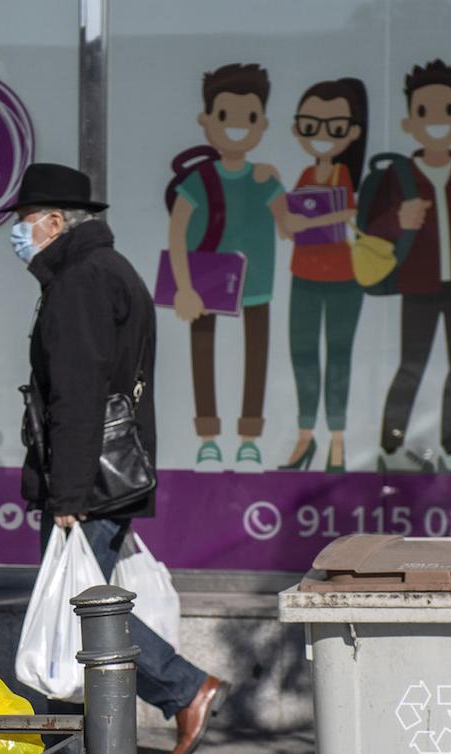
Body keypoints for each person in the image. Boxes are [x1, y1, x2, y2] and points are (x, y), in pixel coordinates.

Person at [9, 162, 228, 754]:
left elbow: (78, 396)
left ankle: (184, 689)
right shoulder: (103, 271)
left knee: (88, 609)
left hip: (90, 479)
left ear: (54, 222)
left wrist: (69, 494)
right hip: (109, 470)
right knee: (76, 601)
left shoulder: (80, 281)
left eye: (25, 222)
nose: (18, 235)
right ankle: (72, 741)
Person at [364, 59, 451, 474]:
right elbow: (371, 229)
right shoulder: (400, 175)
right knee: (412, 365)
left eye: (445, 111)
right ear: (408, 124)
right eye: (424, 112)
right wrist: (397, 219)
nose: (436, 121)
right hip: (418, 284)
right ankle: (391, 446)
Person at [165, 63, 293, 473]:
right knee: (203, 357)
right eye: (225, 117)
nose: (238, 127)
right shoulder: (199, 180)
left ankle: (249, 439)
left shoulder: (264, 179)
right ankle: (207, 439)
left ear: (263, 124)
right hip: (205, 283)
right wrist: (184, 287)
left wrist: (331, 210)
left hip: (256, 285)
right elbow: (177, 232)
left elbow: (289, 226)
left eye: (249, 118)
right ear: (206, 122)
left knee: (255, 359)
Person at [280, 77, 369, 474]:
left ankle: (337, 438)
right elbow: (288, 224)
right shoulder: (304, 175)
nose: (321, 137)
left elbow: (347, 213)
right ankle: (304, 434)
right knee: (302, 355)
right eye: (311, 125)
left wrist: (310, 217)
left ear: (351, 134)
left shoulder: (346, 176)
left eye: (334, 129)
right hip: (304, 273)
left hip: (343, 277)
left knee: (338, 356)